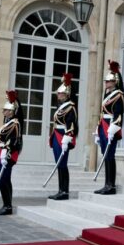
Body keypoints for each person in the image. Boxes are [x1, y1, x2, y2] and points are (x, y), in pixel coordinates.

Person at [94, 60, 124, 195]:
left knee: (110, 155)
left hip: (111, 126)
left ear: (114, 82)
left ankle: (111, 185)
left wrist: (115, 127)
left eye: (108, 81)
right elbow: (102, 113)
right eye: (106, 81)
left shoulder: (118, 94)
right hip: (104, 126)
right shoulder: (107, 94)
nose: (106, 83)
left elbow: (119, 113)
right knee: (105, 155)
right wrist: (98, 128)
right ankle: (106, 183)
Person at [48, 73, 78, 201]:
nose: (58, 95)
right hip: (56, 135)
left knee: (62, 164)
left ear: (66, 95)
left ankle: (64, 191)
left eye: (60, 94)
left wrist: (68, 137)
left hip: (63, 136)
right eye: (58, 93)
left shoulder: (71, 107)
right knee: (59, 164)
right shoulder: (60, 107)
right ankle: (60, 190)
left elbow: (71, 124)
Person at [0, 90, 23, 215]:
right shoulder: (8, 122)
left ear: (11, 111)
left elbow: (13, 140)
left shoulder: (15, 124)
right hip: (2, 152)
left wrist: (6, 153)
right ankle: (7, 204)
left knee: (3, 179)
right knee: (3, 179)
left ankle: (7, 206)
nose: (3, 112)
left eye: (6, 110)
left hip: (7, 154)